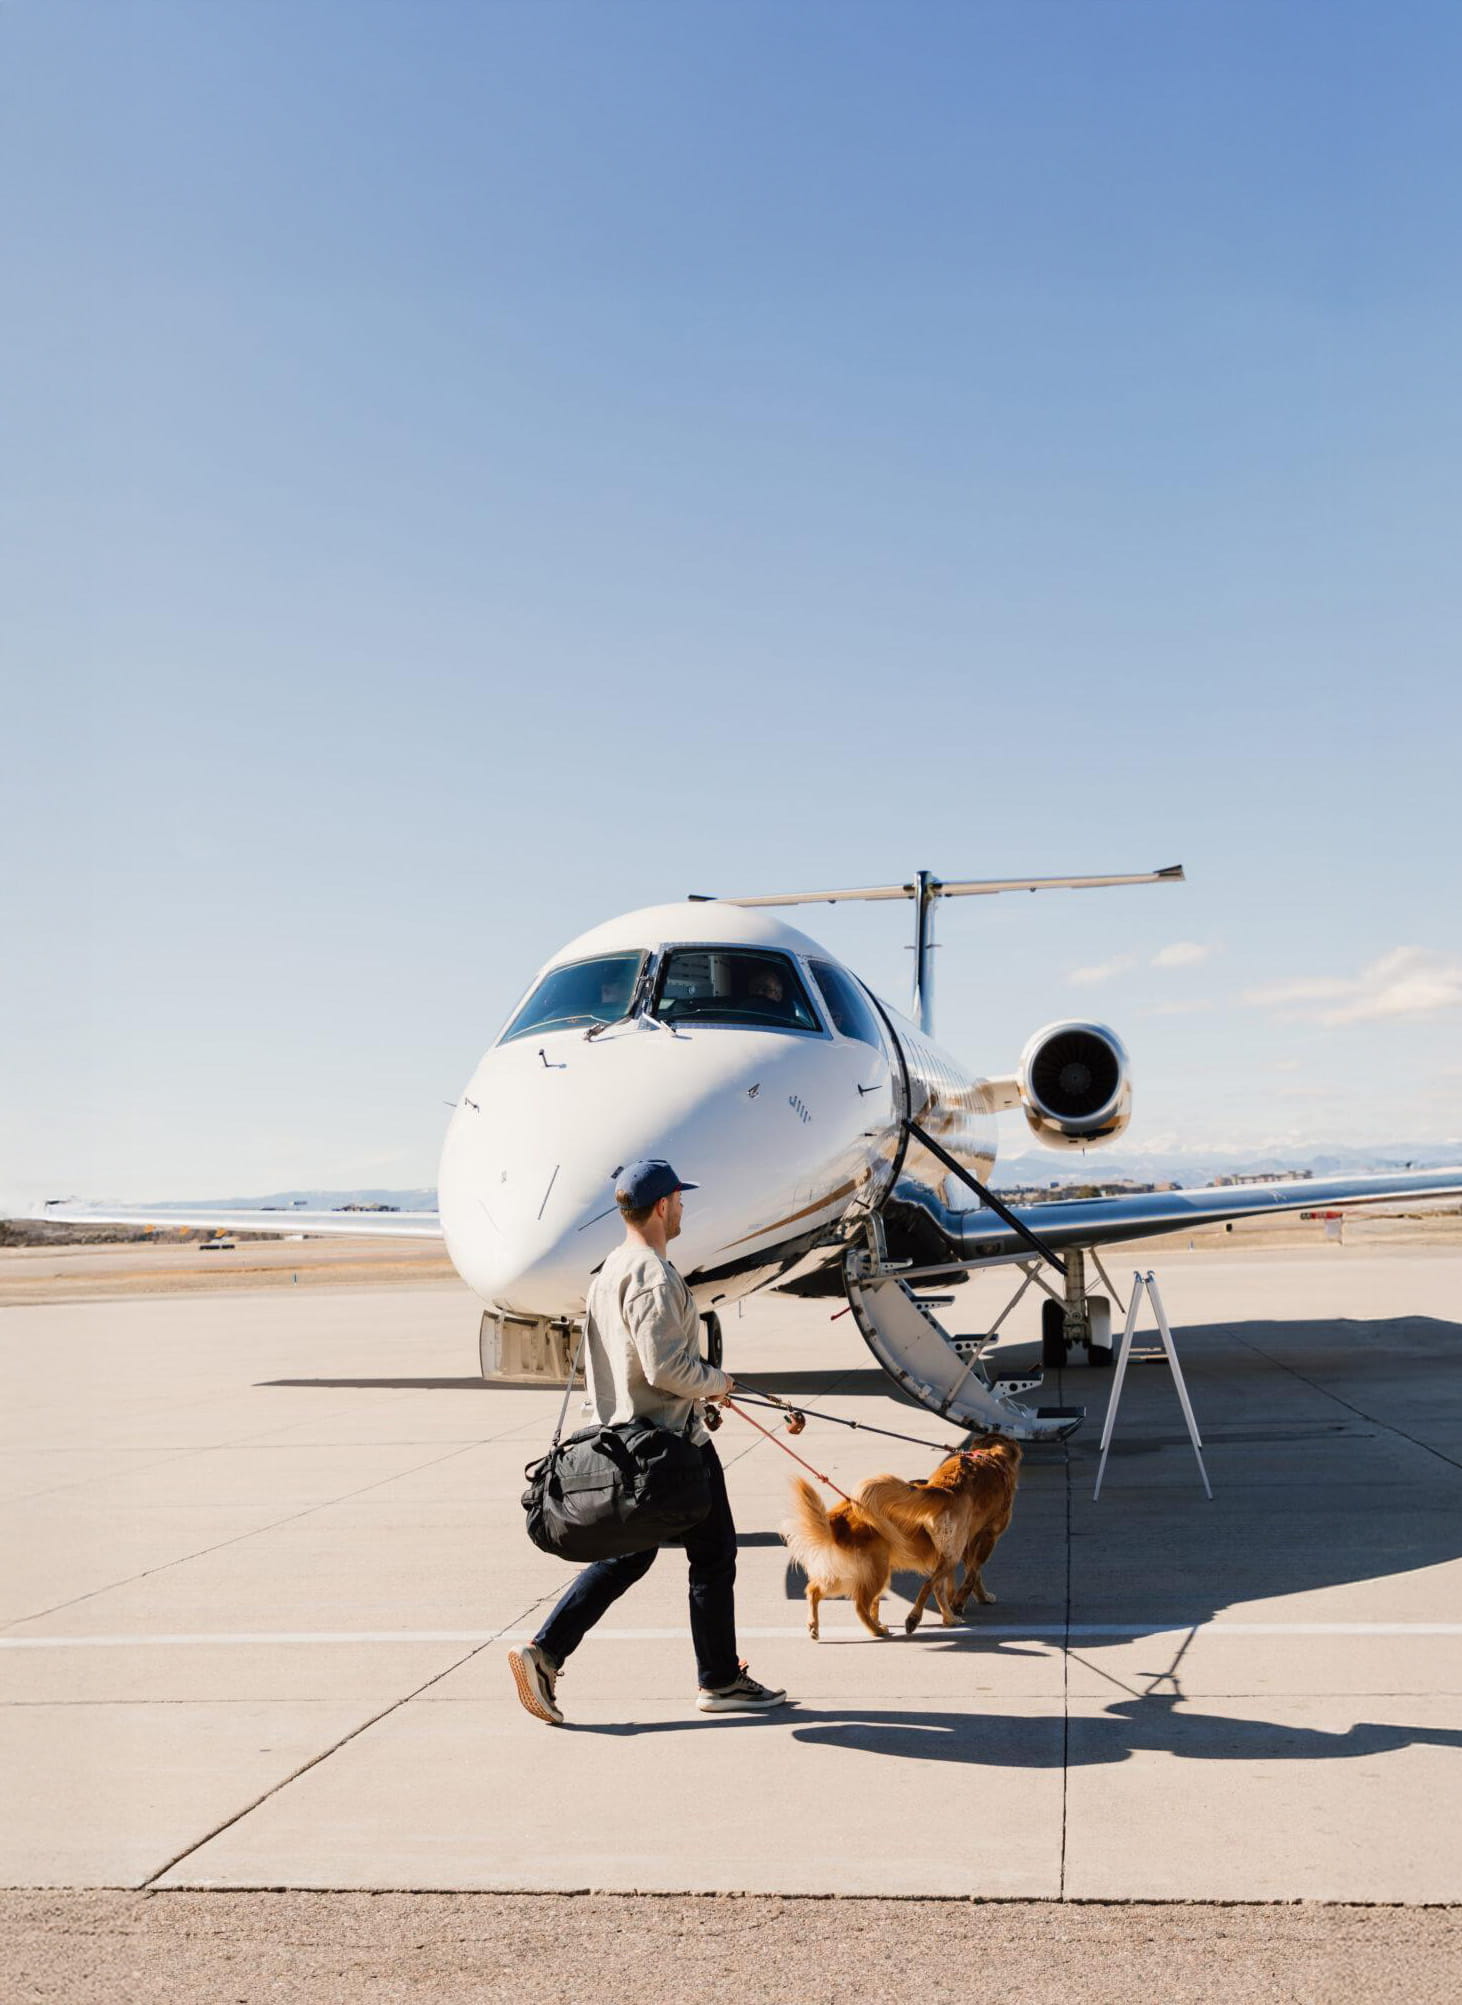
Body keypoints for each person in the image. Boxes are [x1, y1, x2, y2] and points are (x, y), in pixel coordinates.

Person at [508, 1159, 791, 1725]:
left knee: (631, 1558)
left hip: (627, 1441)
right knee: (712, 1557)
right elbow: (666, 1368)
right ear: (662, 1206)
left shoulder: (609, 1269)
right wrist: (719, 1383)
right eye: (680, 1200)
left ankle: (547, 1653)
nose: (683, 1207)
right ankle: (718, 1680)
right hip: (667, 1449)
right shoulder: (651, 1275)